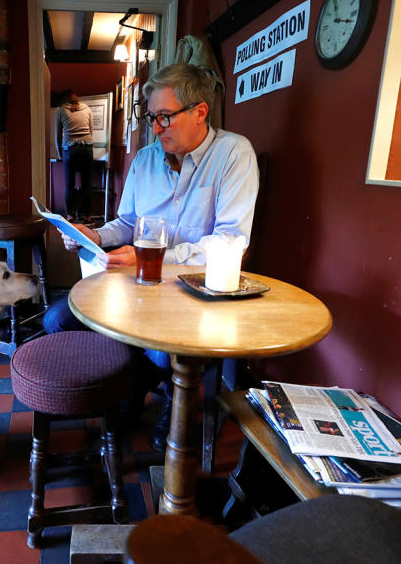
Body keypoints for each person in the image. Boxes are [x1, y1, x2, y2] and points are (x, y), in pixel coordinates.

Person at [44, 63, 259, 448]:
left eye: (164, 117)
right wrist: (93, 233)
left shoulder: (233, 154)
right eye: (152, 118)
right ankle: (129, 389)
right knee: (58, 320)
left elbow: (231, 240)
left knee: (160, 353)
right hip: (138, 286)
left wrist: (156, 257)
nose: (156, 128)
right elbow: (127, 222)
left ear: (199, 112)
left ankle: (167, 399)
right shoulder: (145, 160)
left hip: (193, 293)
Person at [55, 91, 95, 221]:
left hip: (70, 149)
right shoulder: (87, 109)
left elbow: (58, 136)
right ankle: (88, 216)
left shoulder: (61, 111)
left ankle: (70, 215)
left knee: (69, 184)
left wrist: (60, 154)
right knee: (87, 184)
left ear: (64, 100)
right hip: (87, 148)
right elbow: (91, 130)